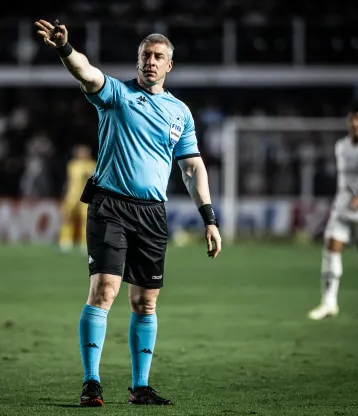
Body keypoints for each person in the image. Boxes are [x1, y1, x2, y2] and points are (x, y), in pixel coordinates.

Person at [35, 19, 222, 406]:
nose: (151, 62)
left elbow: (192, 168)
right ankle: (91, 383)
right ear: (137, 61)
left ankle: (140, 387)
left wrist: (209, 218)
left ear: (170, 65)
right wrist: (64, 49)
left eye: (158, 57)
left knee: (146, 302)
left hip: (153, 213)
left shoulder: (180, 113)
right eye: (145, 56)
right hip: (111, 206)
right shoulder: (116, 95)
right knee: (105, 290)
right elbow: (86, 73)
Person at [308, 109, 358, 323]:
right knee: (331, 250)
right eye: (352, 120)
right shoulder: (341, 146)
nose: (355, 124)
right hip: (343, 206)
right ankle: (329, 303)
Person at [58, 144, 97, 252]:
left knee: (86, 219)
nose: (81, 154)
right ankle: (65, 242)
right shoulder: (72, 165)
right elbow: (68, 181)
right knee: (66, 218)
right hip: (71, 196)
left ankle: (84, 243)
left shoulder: (92, 165)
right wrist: (64, 194)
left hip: (85, 196)